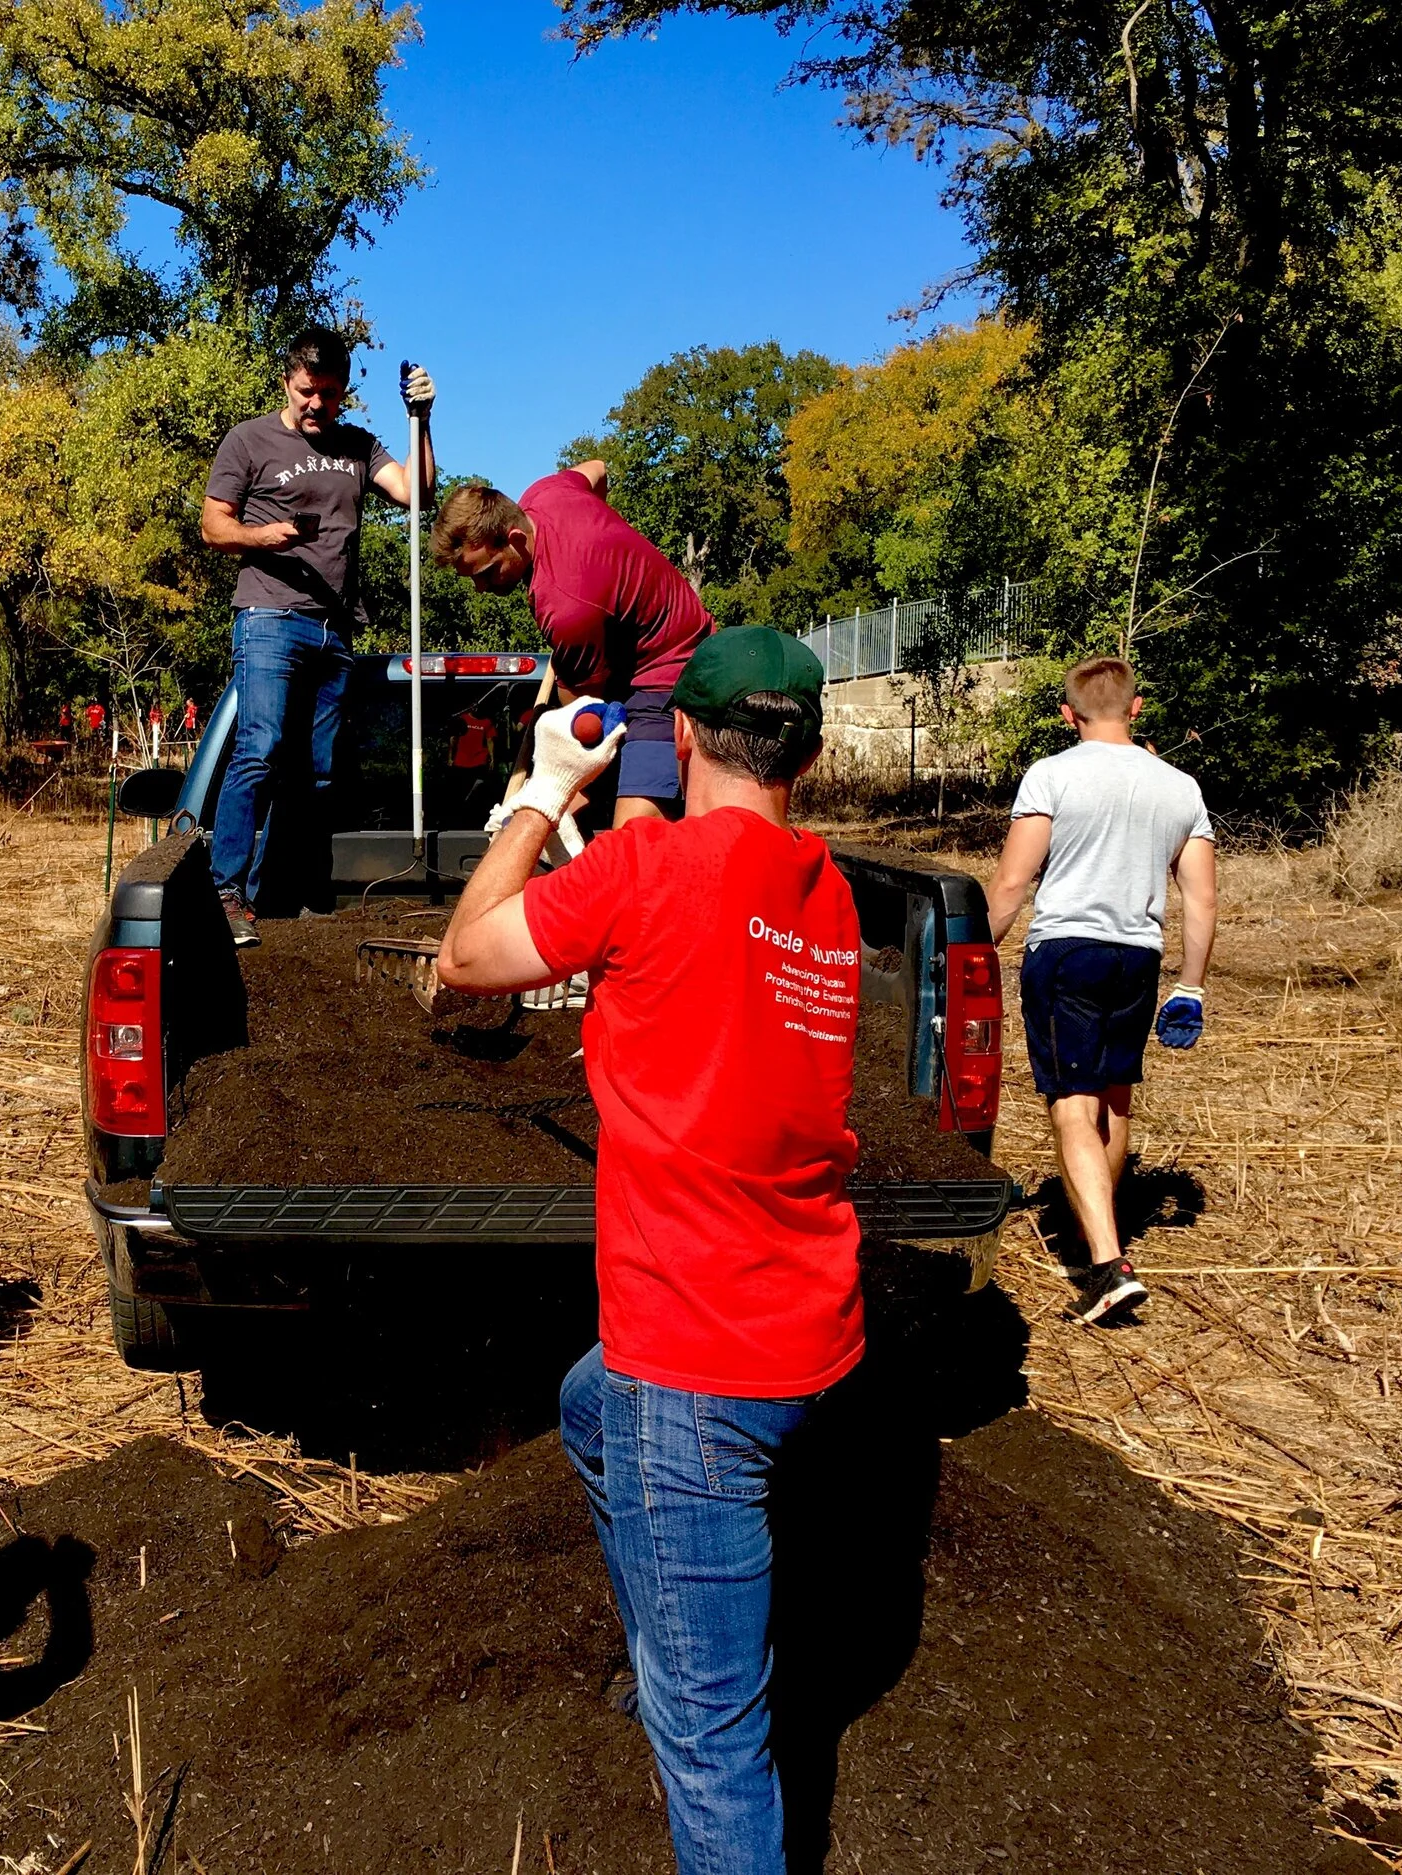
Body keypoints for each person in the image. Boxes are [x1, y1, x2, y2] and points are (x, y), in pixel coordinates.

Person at [437, 628, 863, 1875]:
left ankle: (681, 1681)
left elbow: (468, 958)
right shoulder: (823, 889)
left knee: (717, 1739)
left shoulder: (645, 868)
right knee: (585, 1408)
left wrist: (538, 794)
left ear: (680, 740)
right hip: (810, 1325)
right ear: (816, 754)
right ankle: (668, 1650)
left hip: (697, 1358)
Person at [985, 655, 1217, 1326]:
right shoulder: (1180, 787)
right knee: (1115, 1101)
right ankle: (1100, 1237)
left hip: (1066, 955)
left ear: (1069, 714)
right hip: (1137, 958)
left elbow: (1010, 883)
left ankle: (1109, 1266)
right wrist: (1192, 986)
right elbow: (1201, 899)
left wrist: (967, 956)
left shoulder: (1052, 775)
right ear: (1136, 707)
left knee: (1071, 1107)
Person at [201, 327, 438, 944]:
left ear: (344, 393)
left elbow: (416, 493)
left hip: (336, 630)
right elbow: (212, 527)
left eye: (330, 395)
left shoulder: (358, 445)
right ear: (288, 381)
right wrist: (265, 537)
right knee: (262, 747)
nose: (317, 405)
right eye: (308, 392)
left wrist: (423, 418)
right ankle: (225, 893)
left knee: (319, 771)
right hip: (270, 617)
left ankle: (286, 888)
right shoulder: (249, 440)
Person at [430, 462, 713, 825]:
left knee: (633, 837)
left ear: (515, 538)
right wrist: (606, 535)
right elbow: (597, 469)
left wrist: (597, 562)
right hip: (627, 661)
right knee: (556, 820)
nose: (481, 589)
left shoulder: (566, 604)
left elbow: (580, 716)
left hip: (668, 669)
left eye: (487, 573)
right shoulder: (545, 494)